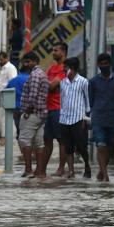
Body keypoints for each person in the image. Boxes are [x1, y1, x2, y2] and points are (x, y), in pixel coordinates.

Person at [89, 53, 114, 181]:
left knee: (110, 146)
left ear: (110, 64)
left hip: (112, 117)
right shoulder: (93, 82)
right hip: (98, 118)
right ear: (98, 65)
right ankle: (105, 175)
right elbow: (90, 101)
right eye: (101, 64)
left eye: (106, 63)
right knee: (101, 145)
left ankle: (102, 171)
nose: (103, 66)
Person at [58, 57, 91, 178]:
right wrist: (61, 115)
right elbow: (62, 100)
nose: (64, 70)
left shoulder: (83, 82)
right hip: (64, 119)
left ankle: (87, 166)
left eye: (66, 67)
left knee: (82, 146)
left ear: (72, 69)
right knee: (68, 147)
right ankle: (71, 171)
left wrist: (86, 118)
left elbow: (87, 100)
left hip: (78, 118)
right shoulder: (62, 82)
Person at [18, 52, 49, 177]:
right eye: (25, 61)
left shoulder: (35, 75)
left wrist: (27, 111)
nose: (26, 64)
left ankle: (28, 169)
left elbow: (33, 95)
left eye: (28, 61)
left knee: (24, 140)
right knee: (39, 142)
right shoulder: (42, 73)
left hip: (32, 113)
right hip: (41, 114)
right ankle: (40, 172)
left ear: (35, 61)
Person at [41, 43, 67, 177]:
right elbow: (47, 84)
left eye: (55, 50)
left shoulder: (65, 69)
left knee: (61, 140)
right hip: (49, 108)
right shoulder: (51, 69)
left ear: (63, 52)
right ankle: (42, 170)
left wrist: (47, 84)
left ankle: (61, 169)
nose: (53, 52)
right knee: (47, 139)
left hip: (59, 108)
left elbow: (51, 85)